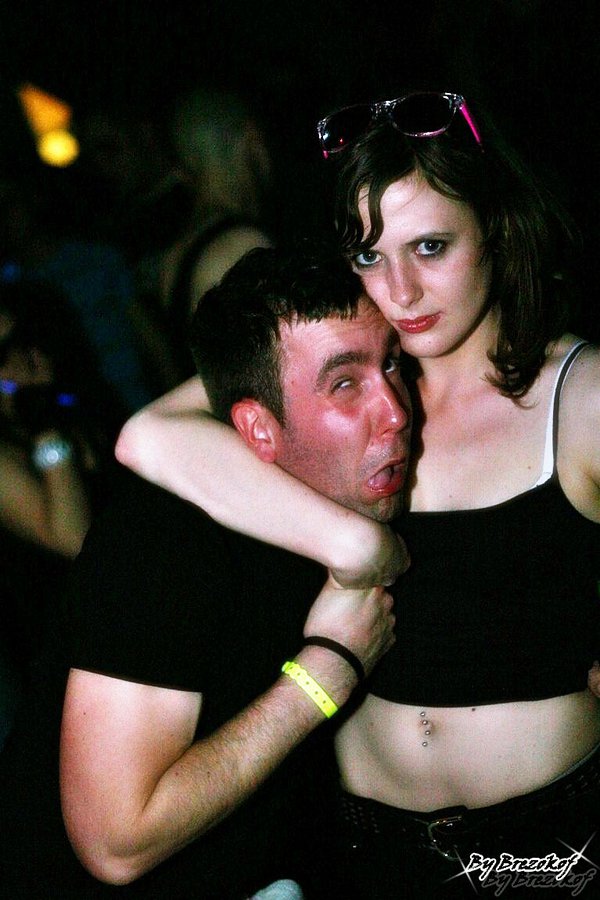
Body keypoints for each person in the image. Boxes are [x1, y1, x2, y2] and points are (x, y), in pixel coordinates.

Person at [115, 91, 600, 896]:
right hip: (365, 844)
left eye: (431, 246)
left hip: (544, 852)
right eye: (369, 256)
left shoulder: (580, 396)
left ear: (497, 229)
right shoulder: (344, 392)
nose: (400, 291)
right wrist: (355, 542)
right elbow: (147, 435)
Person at [0, 244, 409, 899]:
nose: (396, 411)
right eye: (344, 384)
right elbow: (116, 842)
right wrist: (327, 672)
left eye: (391, 364)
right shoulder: (167, 540)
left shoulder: (349, 496)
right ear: (258, 430)